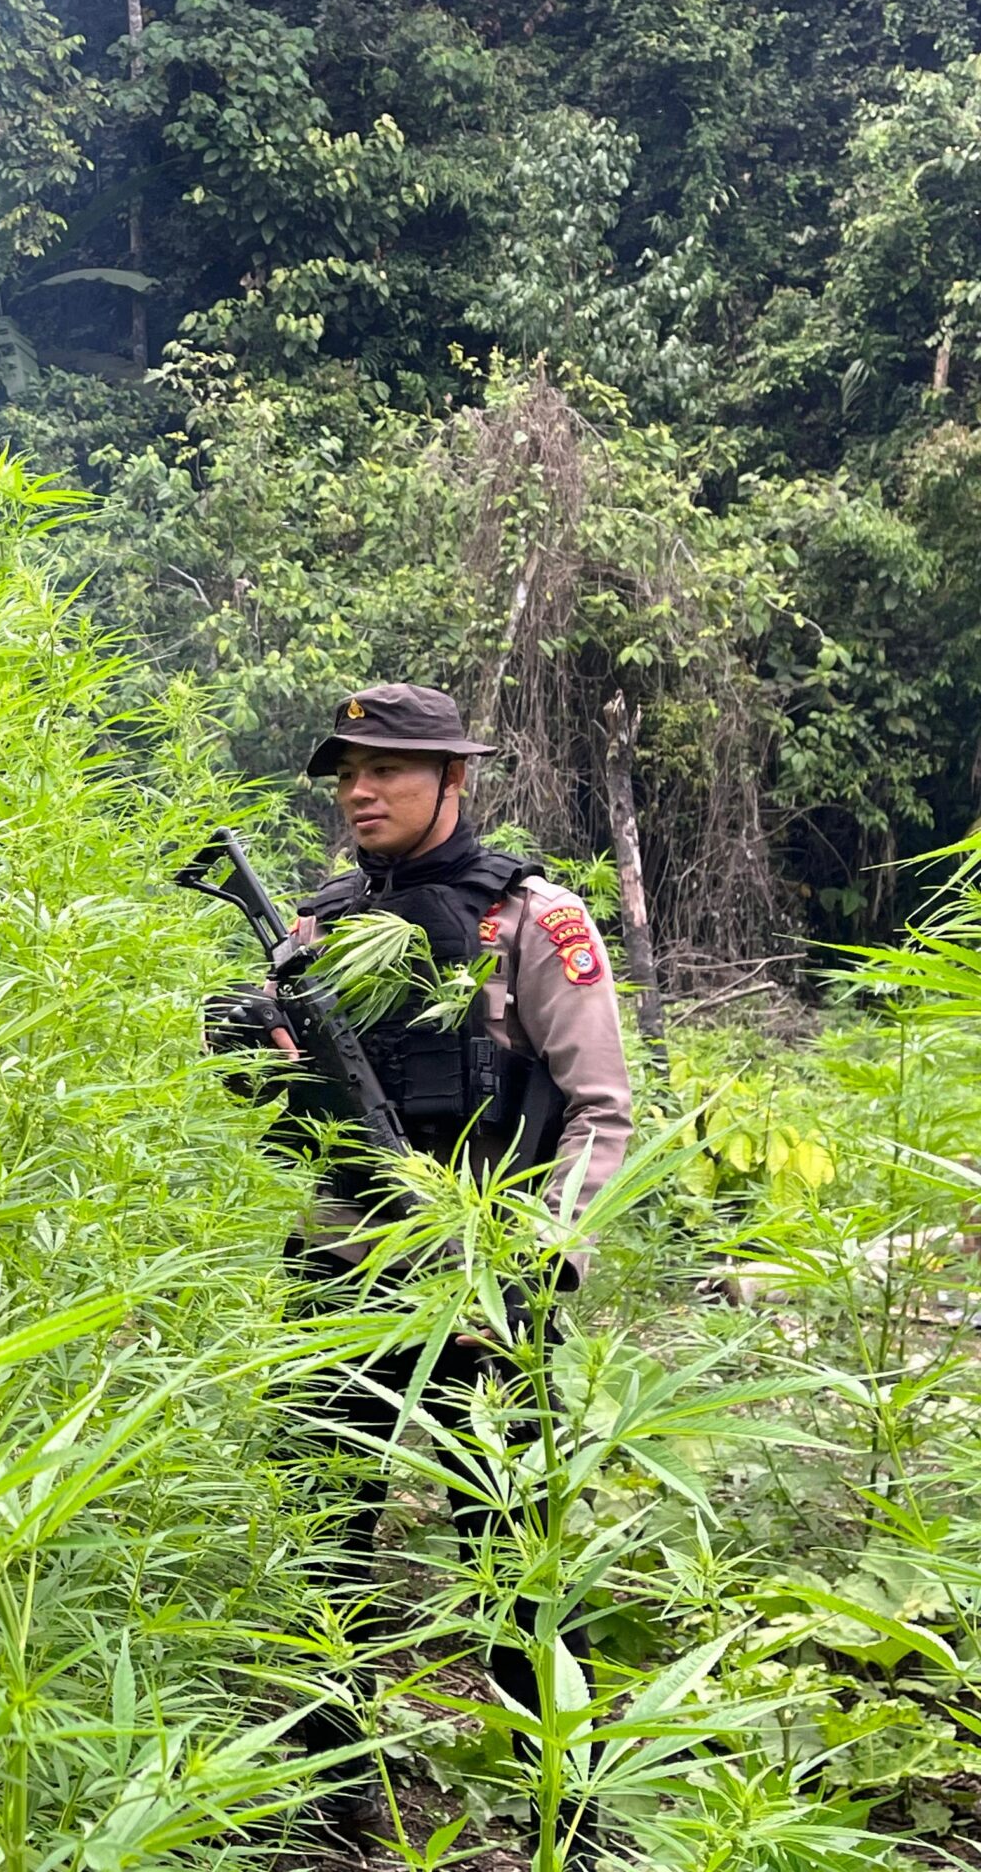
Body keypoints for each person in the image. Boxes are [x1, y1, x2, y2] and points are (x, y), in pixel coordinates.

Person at [266, 683, 634, 1851]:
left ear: (451, 781)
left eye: (386, 769)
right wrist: (260, 1055)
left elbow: (601, 1115)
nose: (358, 791)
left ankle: (564, 1814)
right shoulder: (314, 929)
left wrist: (529, 1270)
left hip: (490, 1287)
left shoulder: (531, 921)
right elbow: (289, 1129)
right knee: (324, 1555)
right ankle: (336, 1811)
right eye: (346, 772)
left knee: (517, 1569)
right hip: (342, 1272)